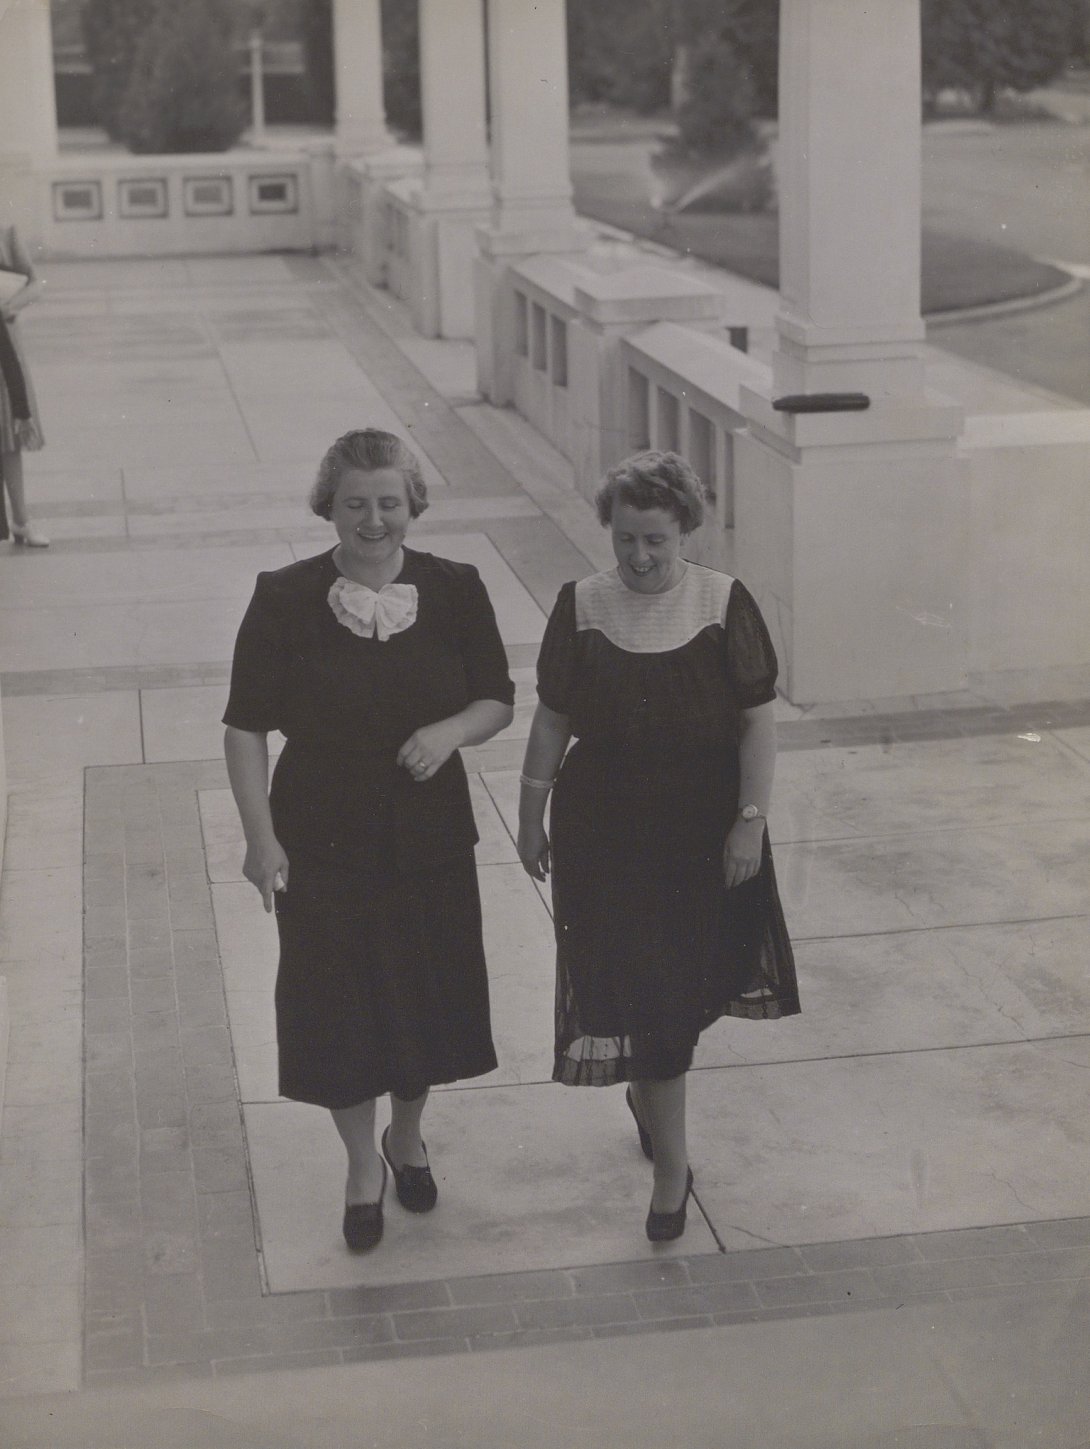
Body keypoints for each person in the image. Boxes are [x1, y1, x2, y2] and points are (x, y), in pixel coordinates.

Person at [224, 428, 514, 1252]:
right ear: (330, 508)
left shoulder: (457, 588)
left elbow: (498, 696)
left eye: (389, 502)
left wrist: (452, 728)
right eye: (356, 504)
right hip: (321, 836)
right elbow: (244, 728)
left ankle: (408, 1137)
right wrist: (260, 839)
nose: (374, 520)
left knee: (423, 997)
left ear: (413, 504)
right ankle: (361, 1164)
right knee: (338, 1008)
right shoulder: (282, 597)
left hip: (428, 835)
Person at [518, 449, 799, 1244]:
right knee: (645, 994)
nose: (641, 558)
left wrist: (750, 819)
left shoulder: (723, 602)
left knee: (680, 992)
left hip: (701, 830)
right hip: (603, 829)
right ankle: (673, 1167)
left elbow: (756, 721)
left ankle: (650, 1097)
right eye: (627, 540)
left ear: (686, 532)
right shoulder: (580, 604)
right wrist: (530, 811)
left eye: (657, 542)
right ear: (609, 531)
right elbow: (551, 718)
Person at [0, 223, 49, 547]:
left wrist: (7, 308)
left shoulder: (5, 231)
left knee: (9, 433)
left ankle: (21, 521)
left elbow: (35, 284)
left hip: (3, 347)